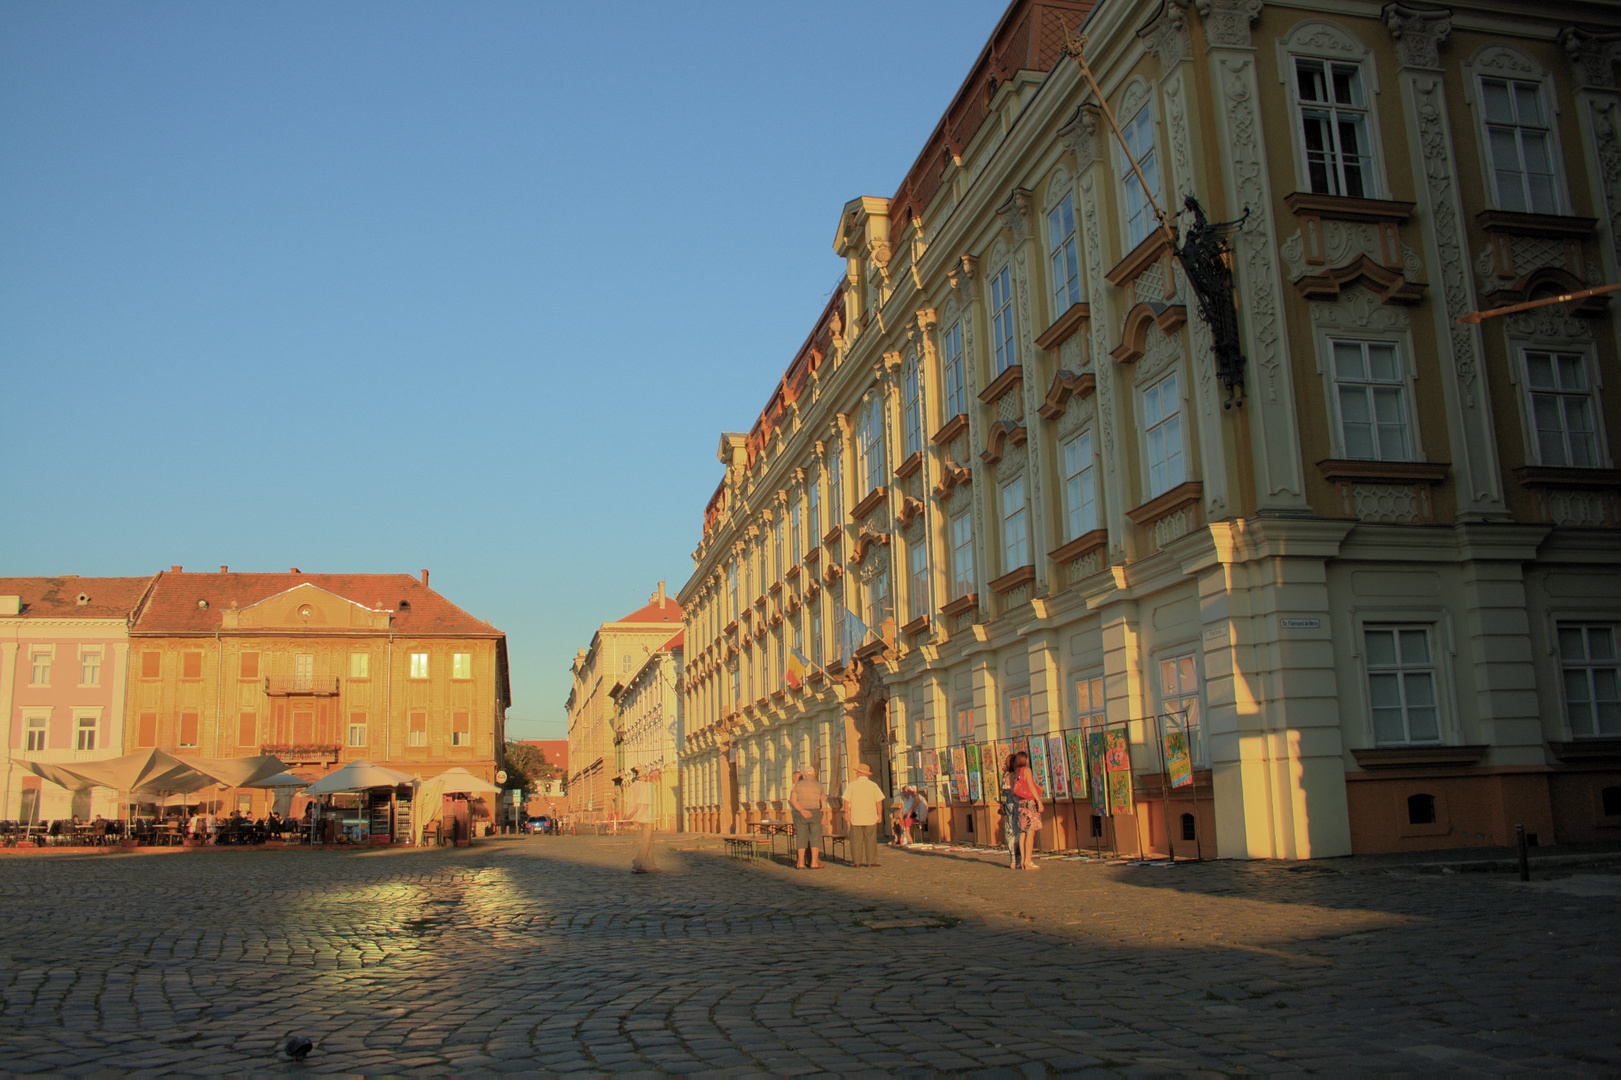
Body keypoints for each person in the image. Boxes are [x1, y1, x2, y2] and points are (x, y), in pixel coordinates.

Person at [840, 763, 887, 867]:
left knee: (856, 840)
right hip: (870, 816)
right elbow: (879, 801)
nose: (856, 773)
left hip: (856, 817)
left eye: (857, 772)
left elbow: (846, 801)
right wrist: (880, 814)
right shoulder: (873, 785)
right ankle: (871, 861)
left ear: (860, 773)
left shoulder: (852, 785)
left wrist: (846, 812)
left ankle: (857, 861)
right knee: (871, 840)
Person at [1007, 750, 1044, 871]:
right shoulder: (1026, 771)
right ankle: (1028, 860)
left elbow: (1013, 791)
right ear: (1025, 760)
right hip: (1029, 804)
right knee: (1030, 833)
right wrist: (1038, 801)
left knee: (1022, 833)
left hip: (1020, 805)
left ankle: (1022, 861)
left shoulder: (1016, 773)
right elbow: (1032, 787)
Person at [789, 768, 825, 869]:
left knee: (801, 837)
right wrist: (824, 815)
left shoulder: (797, 785)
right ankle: (814, 862)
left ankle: (800, 863)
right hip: (815, 811)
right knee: (815, 837)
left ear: (805, 774)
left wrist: (801, 810)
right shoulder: (818, 785)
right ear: (813, 774)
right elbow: (823, 801)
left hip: (802, 813)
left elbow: (793, 800)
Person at [626, 767, 657, 873]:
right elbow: (643, 804)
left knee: (650, 842)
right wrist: (636, 816)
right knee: (646, 842)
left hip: (644, 819)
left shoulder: (636, 786)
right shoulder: (648, 786)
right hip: (647, 818)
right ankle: (637, 865)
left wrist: (631, 815)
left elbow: (632, 802)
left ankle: (651, 864)